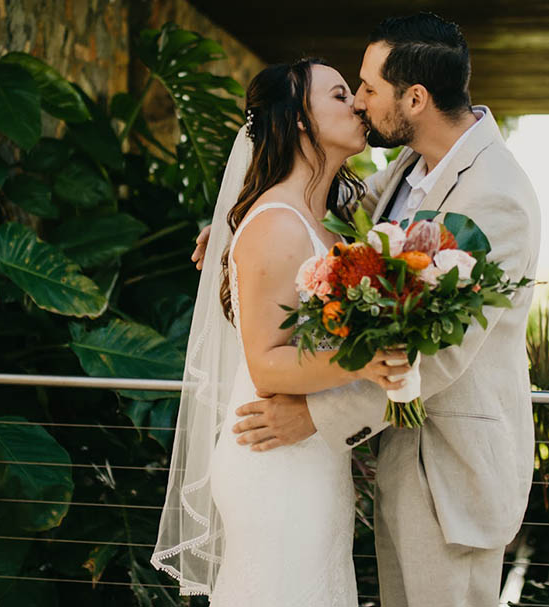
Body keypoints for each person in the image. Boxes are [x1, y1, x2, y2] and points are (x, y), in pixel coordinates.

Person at [190, 13, 542, 606]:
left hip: (451, 473)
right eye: (347, 90)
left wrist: (316, 418)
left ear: (415, 97)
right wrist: (232, 230)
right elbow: (314, 217)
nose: (359, 102)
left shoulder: (496, 196)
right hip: (387, 458)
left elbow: (446, 353)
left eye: (369, 89)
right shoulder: (407, 169)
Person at [151, 57, 410, 605]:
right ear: (297, 119)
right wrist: (361, 360)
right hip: (273, 462)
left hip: (310, 457)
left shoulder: (320, 218)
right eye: (340, 95)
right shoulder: (276, 224)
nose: (358, 104)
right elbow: (267, 364)